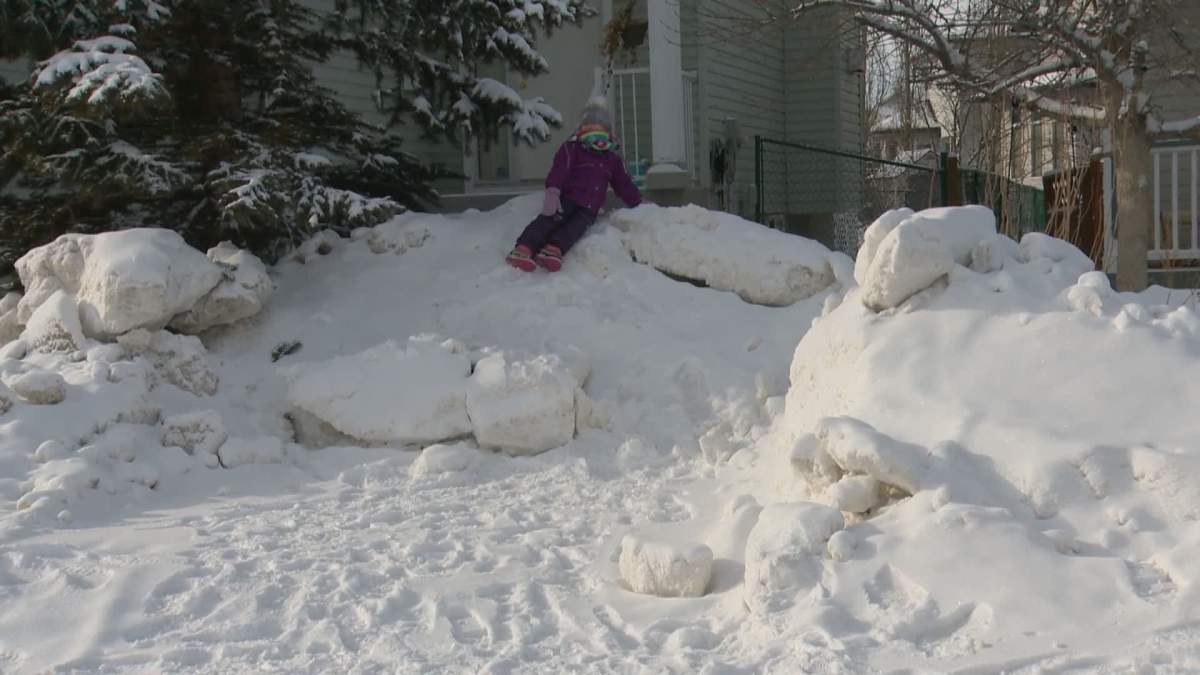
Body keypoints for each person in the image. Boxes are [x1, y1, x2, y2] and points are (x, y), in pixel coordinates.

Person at [506, 97, 643, 272]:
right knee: (549, 220)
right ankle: (523, 248)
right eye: (591, 133)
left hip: (589, 209)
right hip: (567, 198)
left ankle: (553, 250)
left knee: (574, 230)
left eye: (602, 134)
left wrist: (638, 202)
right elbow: (559, 170)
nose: (598, 140)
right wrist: (552, 192)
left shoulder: (612, 159)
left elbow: (623, 184)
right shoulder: (572, 149)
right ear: (582, 132)